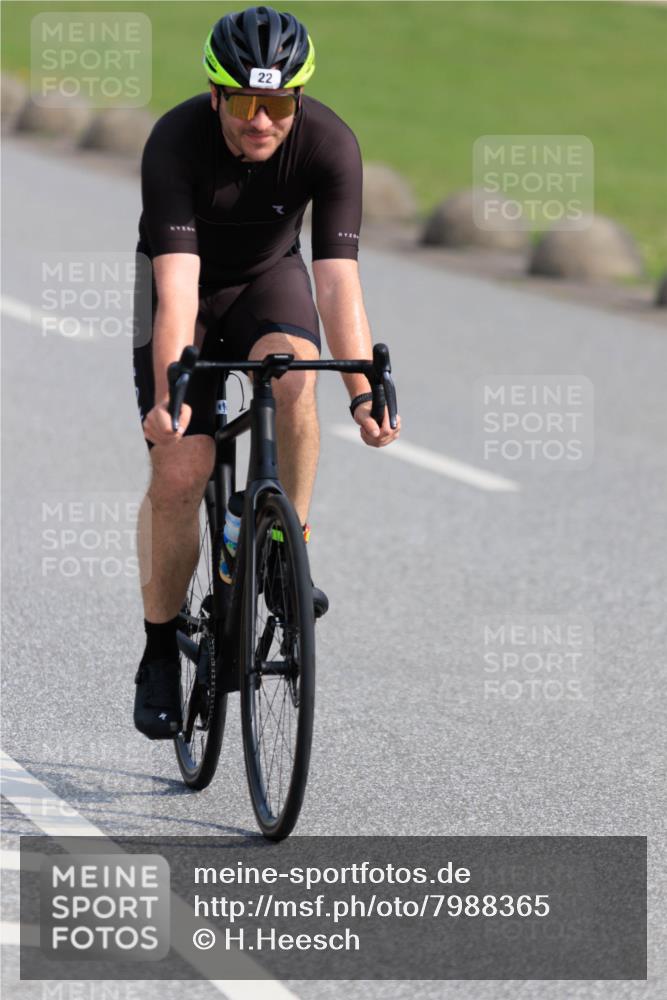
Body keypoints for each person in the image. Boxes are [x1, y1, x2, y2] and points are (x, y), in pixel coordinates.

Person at [133, 4, 401, 740]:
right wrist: (169, 396)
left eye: (278, 102)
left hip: (266, 280)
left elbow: (338, 279)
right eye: (245, 102)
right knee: (182, 470)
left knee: (294, 376)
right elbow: (179, 290)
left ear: (298, 100)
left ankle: (286, 549)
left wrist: (362, 394)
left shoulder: (329, 143)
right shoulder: (175, 144)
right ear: (216, 95)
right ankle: (159, 647)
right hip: (183, 287)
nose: (261, 120)